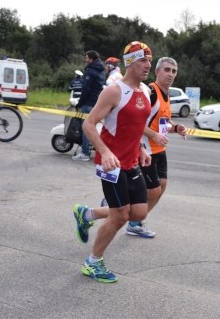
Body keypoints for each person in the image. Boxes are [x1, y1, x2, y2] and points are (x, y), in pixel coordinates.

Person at [72, 40, 153, 283]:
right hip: (111, 164)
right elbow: (89, 123)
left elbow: (135, 126)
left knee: (138, 211)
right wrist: (105, 153)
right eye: (142, 60)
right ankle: (93, 263)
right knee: (120, 216)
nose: (147, 65)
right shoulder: (114, 90)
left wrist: (141, 148)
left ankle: (87, 214)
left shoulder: (145, 91)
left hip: (131, 161)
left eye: (149, 60)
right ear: (130, 62)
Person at [127, 57, 188, 237]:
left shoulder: (166, 95)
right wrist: (153, 135)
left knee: (162, 186)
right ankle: (132, 221)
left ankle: (133, 217)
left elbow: (163, 122)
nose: (170, 74)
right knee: (153, 192)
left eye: (173, 71)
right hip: (146, 149)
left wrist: (176, 128)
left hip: (160, 149)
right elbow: (133, 122)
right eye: (167, 70)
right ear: (157, 72)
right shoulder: (150, 92)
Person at [72, 50, 105, 161]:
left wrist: (80, 103)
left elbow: (86, 89)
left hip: (88, 103)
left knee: (86, 128)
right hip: (97, 103)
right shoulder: (101, 70)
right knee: (92, 128)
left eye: (86, 58)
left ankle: (85, 153)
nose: (85, 60)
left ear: (91, 59)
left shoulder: (90, 71)